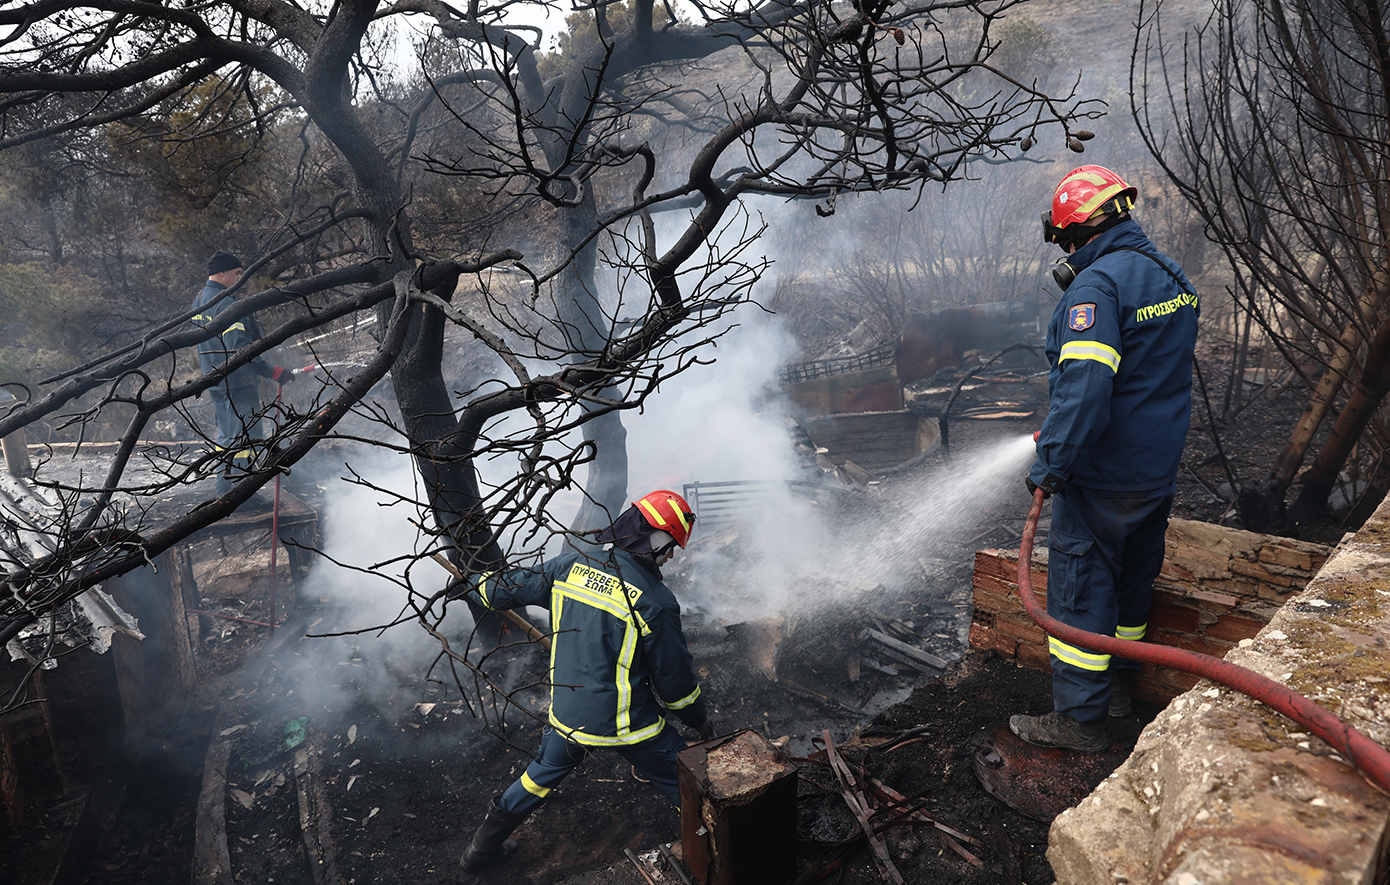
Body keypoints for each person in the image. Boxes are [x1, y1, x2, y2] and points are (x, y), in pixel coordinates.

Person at [1010, 165, 1199, 753]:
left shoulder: (1095, 289)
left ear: (1075, 234)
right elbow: (1149, 379)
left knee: (1080, 590)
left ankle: (1080, 721)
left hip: (1103, 476)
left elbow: (1086, 389)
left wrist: (1053, 463)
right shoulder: (1169, 275)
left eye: (1063, 241)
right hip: (1154, 472)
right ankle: (1118, 691)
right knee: (1130, 582)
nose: (1065, 254)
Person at [455, 489, 715, 874]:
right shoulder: (655, 602)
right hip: (629, 725)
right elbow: (676, 686)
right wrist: (699, 721)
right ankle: (716, 855)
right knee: (689, 787)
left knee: (539, 776)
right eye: (672, 546)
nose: (672, 556)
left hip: (568, 716)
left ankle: (479, 850)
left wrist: (472, 582)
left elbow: (500, 589)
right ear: (653, 539)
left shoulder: (570, 565)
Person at [192, 250, 294, 494]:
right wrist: (271, 371)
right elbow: (241, 350)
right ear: (222, 273)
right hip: (238, 382)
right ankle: (236, 493)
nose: (240, 278)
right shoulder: (227, 304)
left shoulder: (200, 301)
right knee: (244, 438)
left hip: (215, 380)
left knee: (230, 436)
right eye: (237, 273)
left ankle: (231, 489)